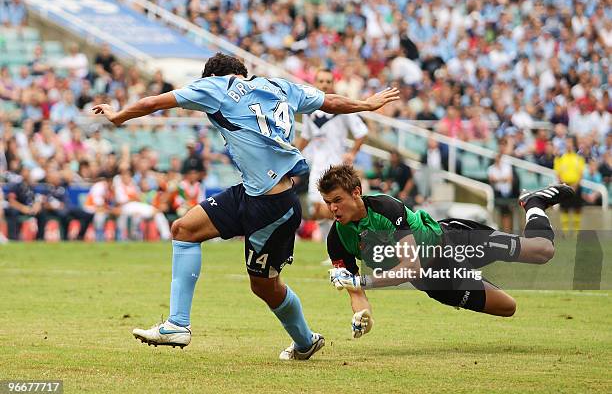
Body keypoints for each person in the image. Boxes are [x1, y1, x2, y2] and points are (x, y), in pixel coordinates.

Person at [92, 52, 400, 360]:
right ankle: (177, 324)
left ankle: (305, 342)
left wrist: (119, 116)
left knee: (265, 287)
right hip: (254, 193)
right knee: (184, 229)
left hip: (272, 209)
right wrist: (365, 104)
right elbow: (328, 101)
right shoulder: (279, 86)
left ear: (212, 76)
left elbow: (155, 102)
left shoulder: (217, 87)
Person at [319, 165, 573, 338]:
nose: (332, 209)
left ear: (356, 193)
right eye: (328, 202)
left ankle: (534, 202)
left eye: (337, 200)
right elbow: (355, 291)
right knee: (508, 307)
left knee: (543, 251)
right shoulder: (337, 240)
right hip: (434, 280)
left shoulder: (386, 207)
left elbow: (410, 266)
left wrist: (361, 280)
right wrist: (363, 316)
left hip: (452, 241)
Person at [294, 68, 368, 229]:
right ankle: (331, 247)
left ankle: (342, 244)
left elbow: (361, 132)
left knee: (332, 208)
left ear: (333, 84)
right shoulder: (309, 109)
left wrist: (352, 153)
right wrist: (293, 154)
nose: (324, 85)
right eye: (321, 81)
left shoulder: (341, 108)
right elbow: (306, 136)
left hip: (336, 165)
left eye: (328, 81)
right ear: (315, 83)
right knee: (317, 209)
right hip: (316, 166)